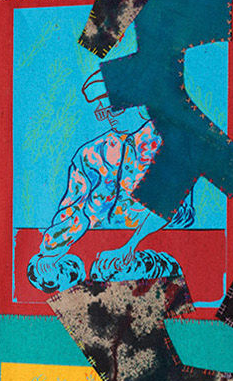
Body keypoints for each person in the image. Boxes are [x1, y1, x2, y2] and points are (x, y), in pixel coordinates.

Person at [26, 62, 177, 295]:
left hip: (158, 246)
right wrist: (51, 251)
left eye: (114, 110)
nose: (109, 119)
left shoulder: (171, 146)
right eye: (103, 112)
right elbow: (74, 209)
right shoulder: (91, 154)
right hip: (98, 254)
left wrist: (130, 246)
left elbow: (170, 207)